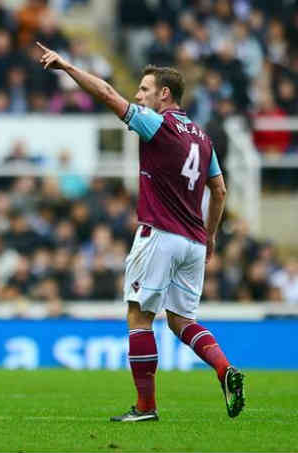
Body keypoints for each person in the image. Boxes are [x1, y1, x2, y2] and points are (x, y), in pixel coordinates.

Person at [37, 42, 244, 421]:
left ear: (164, 94)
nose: (138, 95)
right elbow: (220, 190)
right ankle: (223, 368)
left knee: (139, 317)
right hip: (194, 242)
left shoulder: (157, 124)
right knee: (182, 321)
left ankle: (146, 407)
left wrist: (67, 66)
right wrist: (211, 234)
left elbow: (106, 93)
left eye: (144, 89)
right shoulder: (202, 136)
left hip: (160, 234)